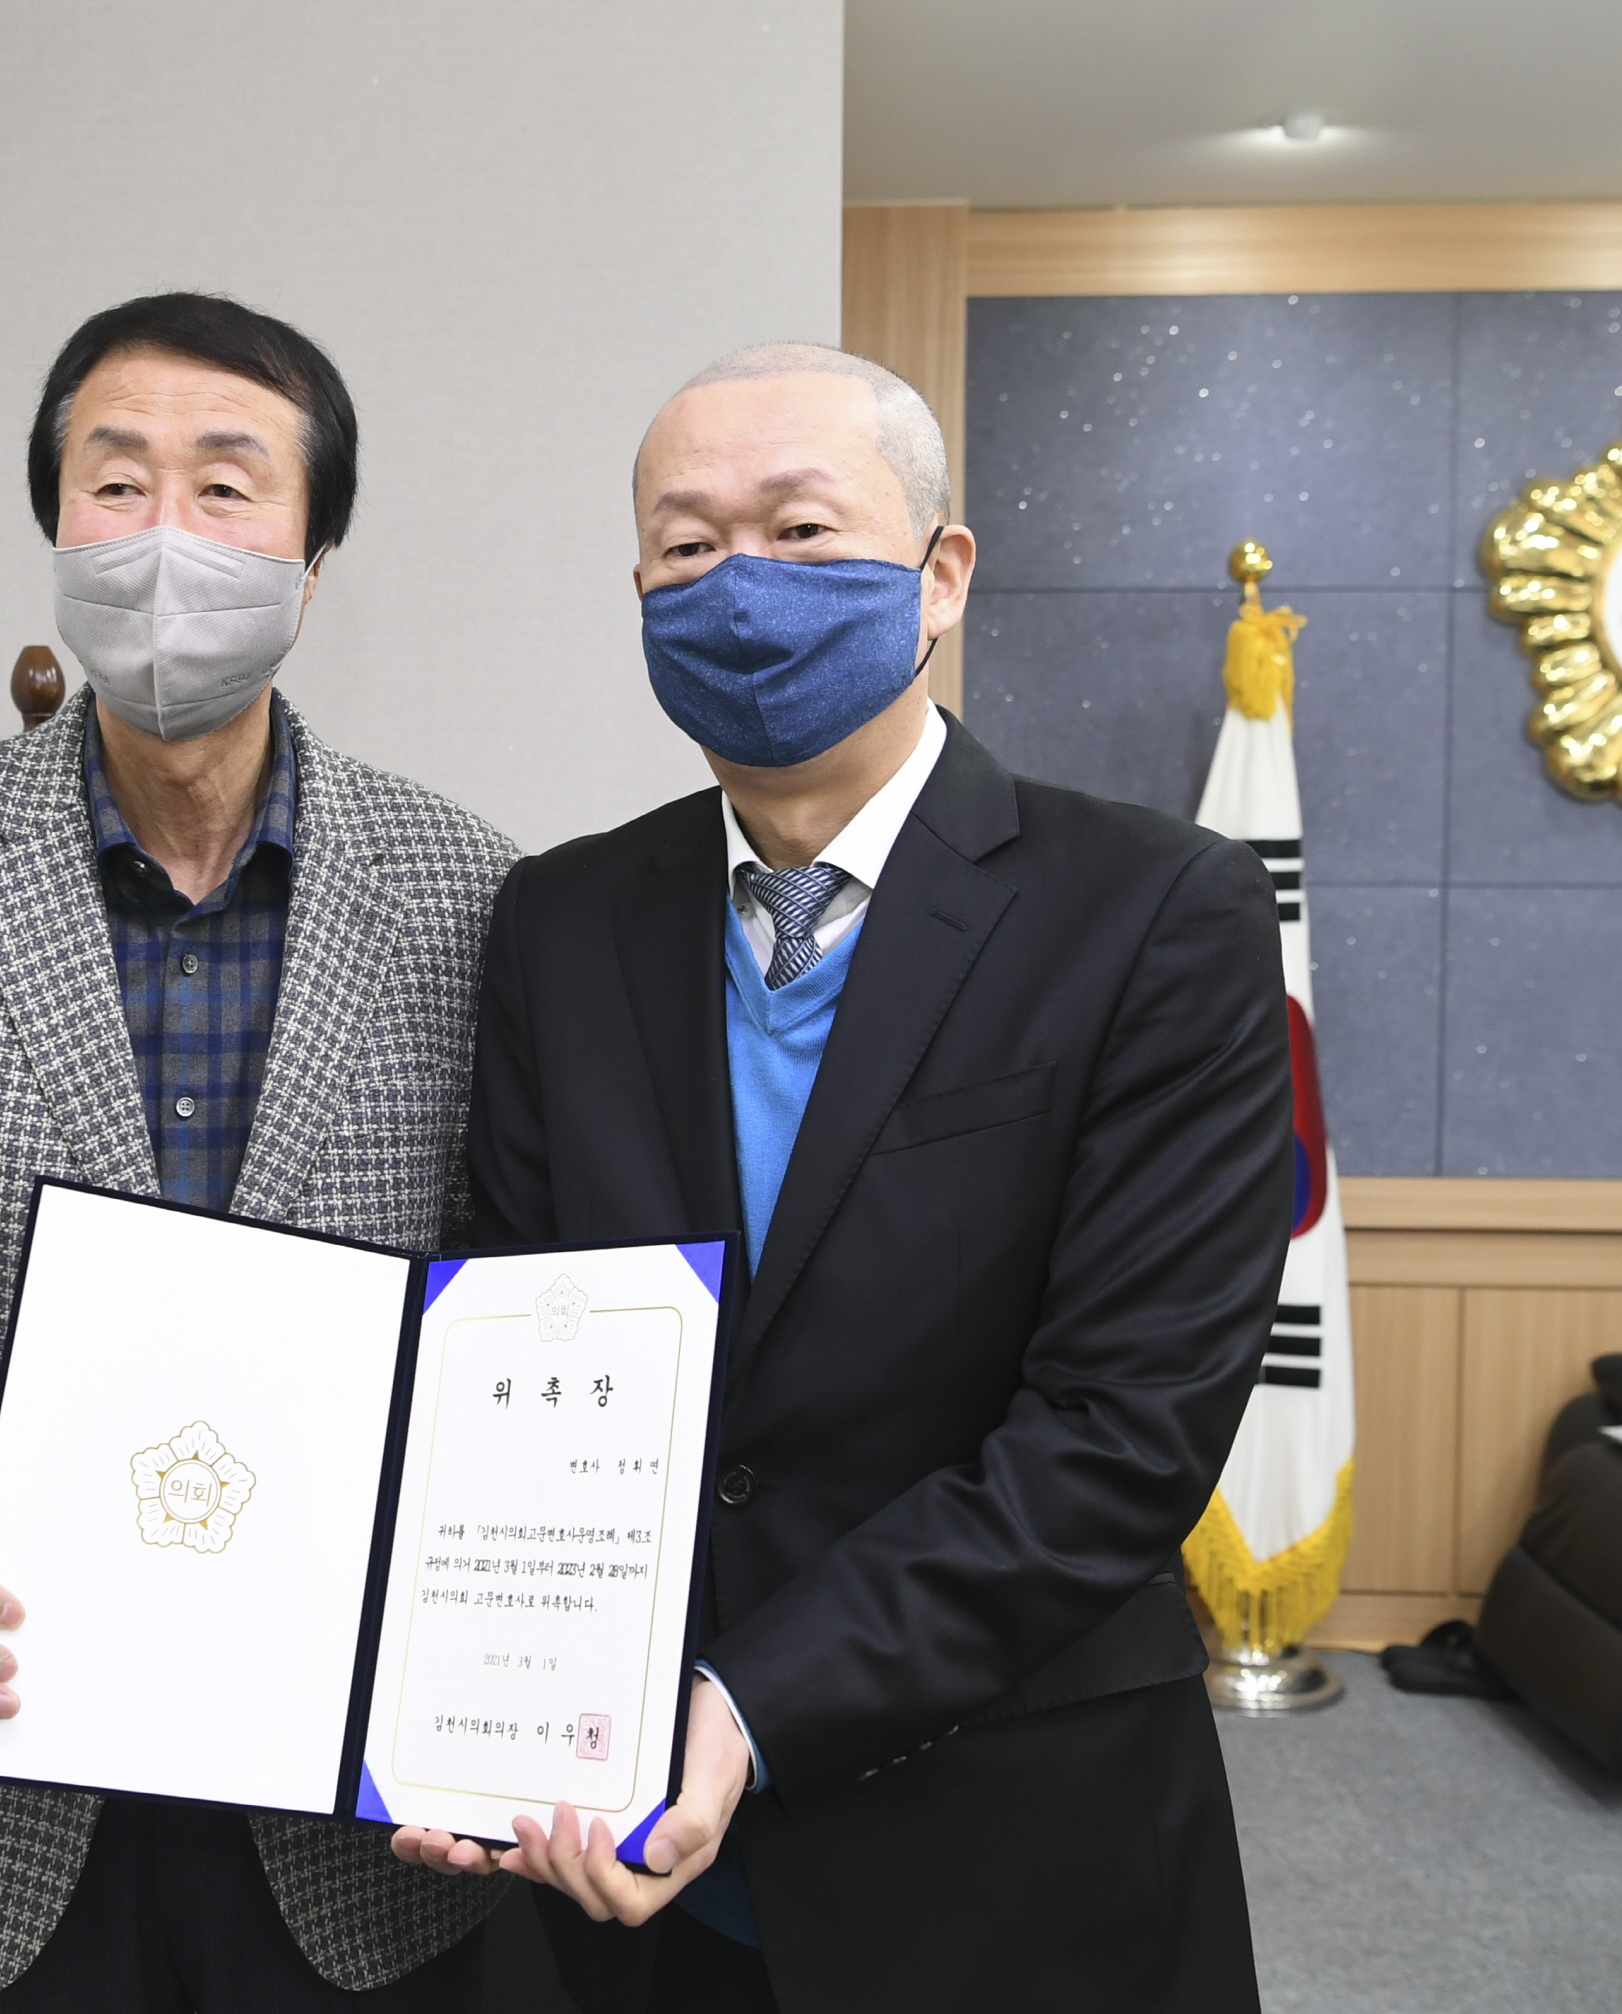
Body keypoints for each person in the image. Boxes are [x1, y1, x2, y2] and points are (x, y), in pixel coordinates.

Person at [395, 344, 1291, 2010]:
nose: (740, 583)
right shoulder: (561, 921)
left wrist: (748, 1704)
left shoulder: (1158, 912)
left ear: (939, 574)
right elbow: (515, 1332)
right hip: (614, 1856)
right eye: (686, 545)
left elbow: (1119, 1434)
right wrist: (475, 1707)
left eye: (802, 529)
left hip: (1007, 1841)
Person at [0, 293, 516, 2011]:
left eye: (225, 486)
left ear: (312, 558)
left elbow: (504, 1299)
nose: (163, 535)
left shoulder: (467, 888)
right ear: (57, 524)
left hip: (347, 1801)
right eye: (117, 481)